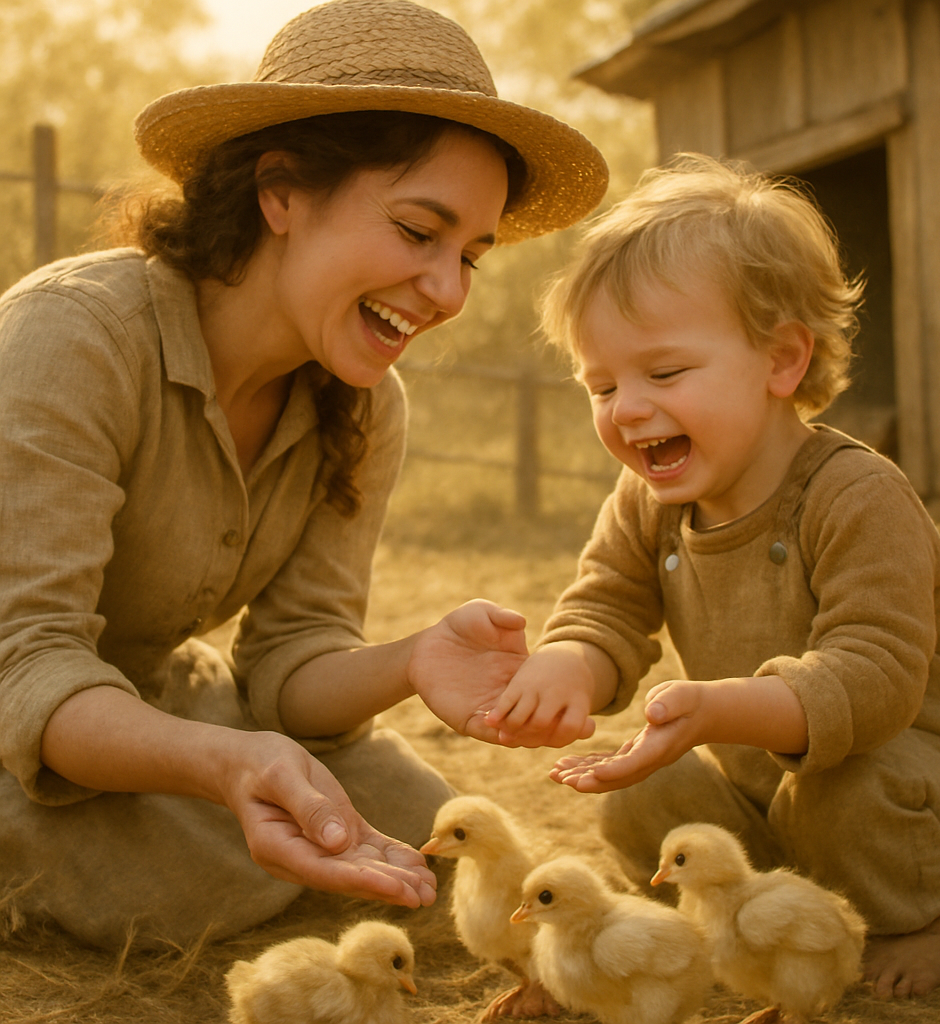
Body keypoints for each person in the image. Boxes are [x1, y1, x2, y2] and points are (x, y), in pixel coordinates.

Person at [0, 0, 608, 950]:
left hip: (156, 699)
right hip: (20, 714)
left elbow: (288, 670)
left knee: (433, 829)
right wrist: (225, 765)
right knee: (195, 872)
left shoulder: (365, 406)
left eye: (470, 257)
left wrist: (408, 660)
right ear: (279, 192)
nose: (448, 292)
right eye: (418, 232)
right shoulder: (72, 336)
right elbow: (27, 665)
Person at [484, 154, 940, 1000]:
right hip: (767, 787)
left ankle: (924, 916)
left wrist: (716, 708)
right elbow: (608, 602)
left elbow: (873, 676)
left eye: (662, 373)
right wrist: (567, 663)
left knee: (844, 792)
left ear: (782, 362)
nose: (626, 407)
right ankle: (755, 893)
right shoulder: (647, 500)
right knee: (637, 794)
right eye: (602, 384)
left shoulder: (856, 495)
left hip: (916, 783)